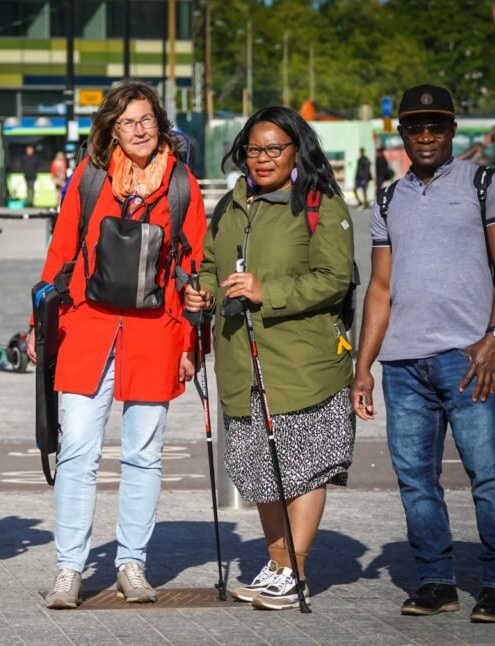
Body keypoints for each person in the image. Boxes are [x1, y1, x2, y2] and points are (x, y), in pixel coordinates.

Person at [27, 80, 206, 609]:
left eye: (148, 119)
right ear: (111, 128)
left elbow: (194, 270)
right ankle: (69, 568)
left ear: (161, 123)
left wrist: (193, 343)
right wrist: (41, 325)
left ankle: (132, 563)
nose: (140, 130)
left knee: (144, 455)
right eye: (128, 122)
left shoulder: (182, 184)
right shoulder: (90, 177)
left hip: (157, 332)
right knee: (78, 449)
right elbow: (60, 253)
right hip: (87, 328)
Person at [351, 84, 495, 623]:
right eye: (416, 127)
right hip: (403, 365)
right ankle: (435, 581)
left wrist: (494, 339)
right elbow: (380, 288)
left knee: (488, 474)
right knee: (416, 479)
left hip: (469, 360)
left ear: (452, 131)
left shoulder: (486, 185)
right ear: (400, 133)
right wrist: (363, 367)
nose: (426, 136)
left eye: (437, 126)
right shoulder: (387, 197)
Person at [185, 106, 356, 610]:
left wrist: (267, 292)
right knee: (258, 465)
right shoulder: (233, 204)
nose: (263, 159)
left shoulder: (321, 204)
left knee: (301, 464)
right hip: (243, 360)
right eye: (254, 150)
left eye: (274, 149)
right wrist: (204, 293)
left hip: (303, 363)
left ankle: (295, 570)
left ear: (296, 151)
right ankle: (277, 563)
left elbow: (334, 278)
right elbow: (210, 266)